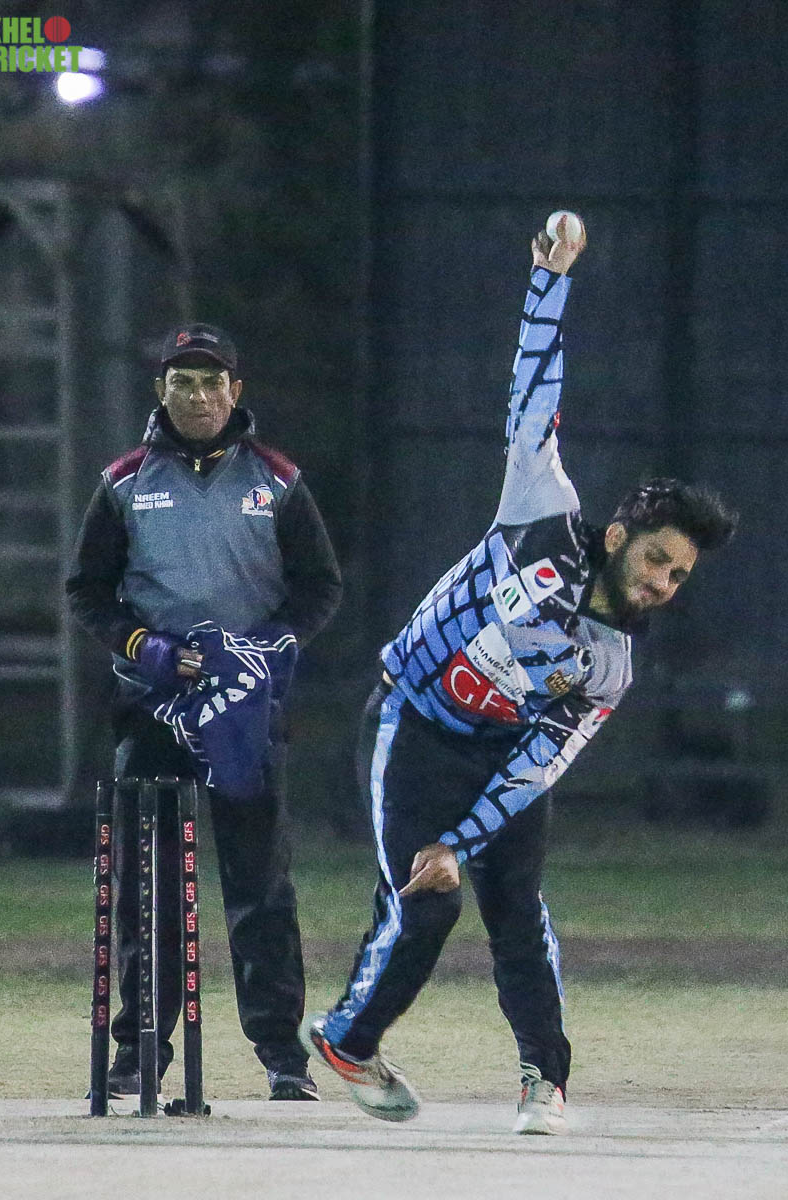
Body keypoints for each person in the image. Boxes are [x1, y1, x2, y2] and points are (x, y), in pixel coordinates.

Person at [300, 217, 736, 1134]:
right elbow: (533, 394)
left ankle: (546, 1082)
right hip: (411, 726)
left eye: (678, 577)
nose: (662, 584)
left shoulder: (611, 666)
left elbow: (540, 763)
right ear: (616, 536)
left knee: (516, 913)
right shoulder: (541, 509)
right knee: (424, 904)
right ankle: (346, 1039)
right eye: (655, 560)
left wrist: (461, 838)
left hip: (498, 762)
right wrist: (550, 282)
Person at [67, 322, 342, 1101]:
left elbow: (319, 586)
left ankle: (282, 1056)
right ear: (160, 391)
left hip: (243, 709)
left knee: (260, 884)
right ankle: (140, 1052)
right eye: (181, 382)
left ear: (234, 391)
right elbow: (87, 590)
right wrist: (144, 646)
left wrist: (270, 647)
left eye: (211, 381)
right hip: (153, 704)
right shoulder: (124, 481)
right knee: (144, 887)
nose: (197, 396)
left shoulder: (277, 480)